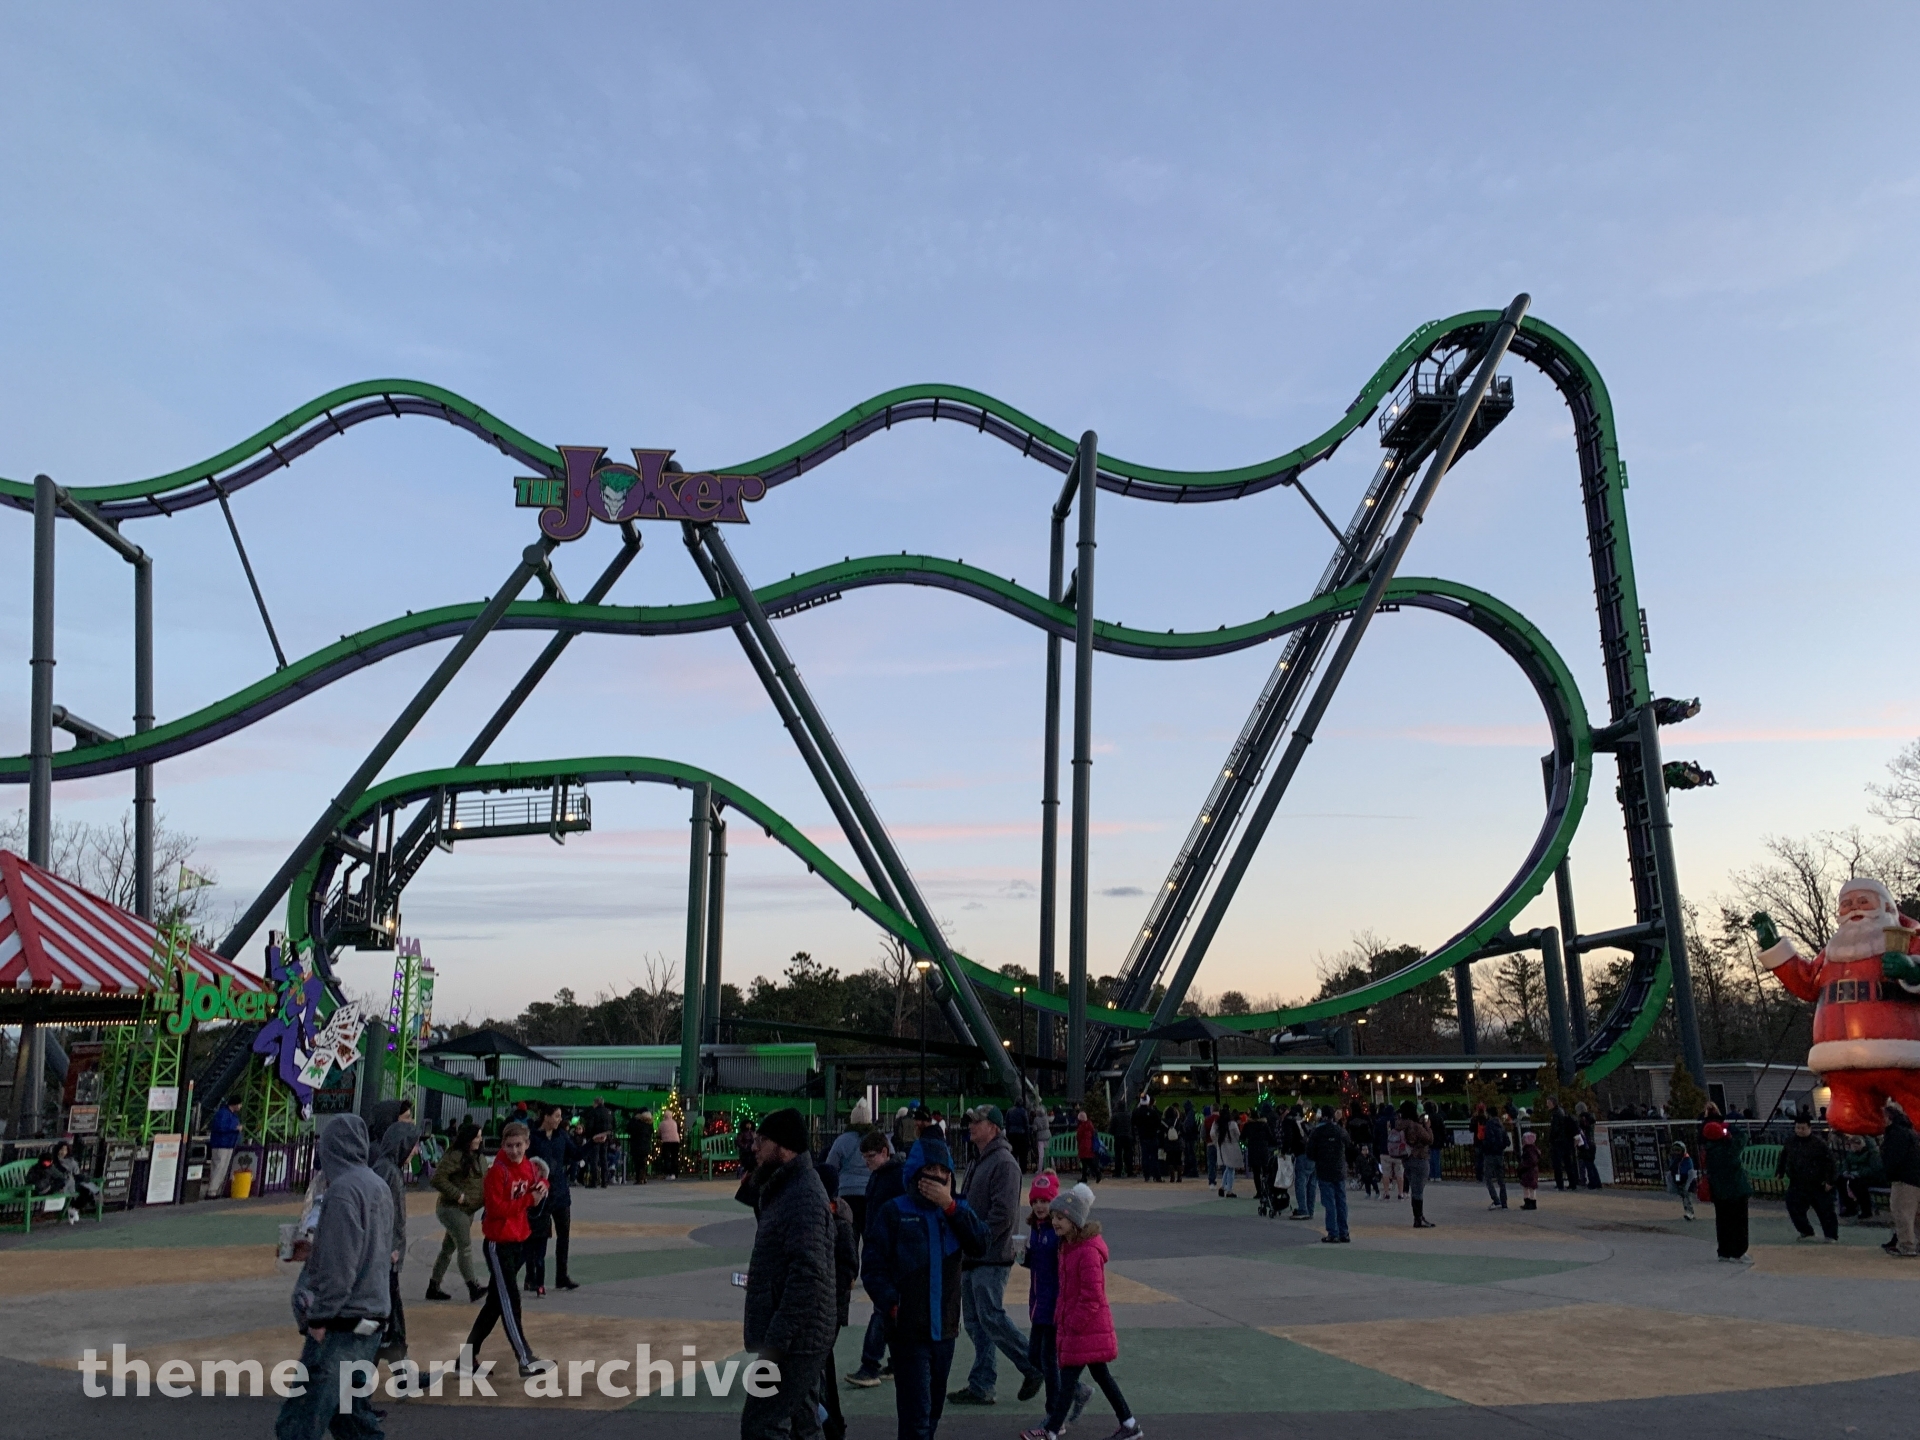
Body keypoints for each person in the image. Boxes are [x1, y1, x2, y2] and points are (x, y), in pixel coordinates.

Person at [1755, 877, 1920, 1135]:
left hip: (1904, 1053)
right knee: (1847, 1118)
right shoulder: (1833, 952)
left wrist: (1912, 971)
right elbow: (1806, 982)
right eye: (1847, 904)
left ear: (1886, 907)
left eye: (1863, 902)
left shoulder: (1908, 941)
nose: (1854, 908)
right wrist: (1773, 947)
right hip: (1842, 1063)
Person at [863, 1135, 988, 1440]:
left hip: (944, 1330)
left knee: (932, 1412)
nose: (938, 1176)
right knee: (916, 1415)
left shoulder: (957, 1211)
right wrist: (892, 1303)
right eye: (930, 1169)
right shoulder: (895, 1212)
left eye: (944, 1170)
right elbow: (873, 1266)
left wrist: (950, 1207)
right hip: (908, 1330)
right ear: (917, 1172)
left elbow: (981, 1244)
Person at [276, 1115, 392, 1440]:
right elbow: (369, 1248)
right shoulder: (376, 1185)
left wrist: (320, 1315)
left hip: (342, 1320)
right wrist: (316, 1249)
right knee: (349, 1417)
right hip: (372, 1313)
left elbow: (341, 1265)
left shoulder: (341, 1192)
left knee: (299, 1422)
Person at [740, 1107, 836, 1440]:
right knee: (803, 1422)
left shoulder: (802, 1195)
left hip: (795, 1338)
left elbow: (808, 1275)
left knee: (762, 1423)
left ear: (784, 1146)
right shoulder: (786, 1187)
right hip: (802, 1333)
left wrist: (777, 1340)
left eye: (761, 1141)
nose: (754, 1147)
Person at [1030, 1183, 1142, 1440]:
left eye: (1060, 1218)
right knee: (1100, 1376)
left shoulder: (1087, 1252)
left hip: (1085, 1327)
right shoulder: (1067, 1247)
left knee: (1068, 1381)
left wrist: (1071, 1324)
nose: (1054, 1222)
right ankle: (1129, 1423)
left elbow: (1092, 1296)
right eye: (1054, 1217)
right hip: (1081, 1327)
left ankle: (1051, 1430)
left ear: (1074, 1221)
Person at [948, 1106, 1043, 1407]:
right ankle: (982, 1383)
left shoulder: (1004, 1163)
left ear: (994, 1127)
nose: (971, 1126)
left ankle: (1031, 1364)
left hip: (989, 1253)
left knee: (989, 1316)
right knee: (977, 1321)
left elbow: (1003, 1214)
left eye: (977, 1122)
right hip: (975, 1252)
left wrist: (978, 1238)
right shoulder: (982, 1161)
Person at [464, 1120, 553, 1377]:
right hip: (498, 1244)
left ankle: (467, 1358)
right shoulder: (497, 1172)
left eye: (519, 1145)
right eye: (510, 1145)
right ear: (503, 1145)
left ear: (527, 1145)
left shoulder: (526, 1166)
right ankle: (525, 1359)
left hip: (518, 1241)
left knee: (495, 1304)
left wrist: (542, 1188)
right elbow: (496, 1209)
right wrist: (528, 1200)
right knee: (510, 1301)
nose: (515, 1150)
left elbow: (541, 1180)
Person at [845, 1128, 901, 1390]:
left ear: (884, 1153)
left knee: (883, 1308)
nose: (866, 1163)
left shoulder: (890, 1178)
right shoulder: (881, 1176)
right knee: (888, 1310)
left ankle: (870, 1364)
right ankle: (893, 1362)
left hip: (887, 1253)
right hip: (883, 1250)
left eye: (870, 1157)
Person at [369, 1118, 418, 1363]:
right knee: (386, 1319)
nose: (416, 1151)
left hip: (388, 1256)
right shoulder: (387, 1171)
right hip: (385, 1258)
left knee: (392, 1320)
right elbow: (381, 1214)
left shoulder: (390, 1169)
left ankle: (402, 1374)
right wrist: (389, 1248)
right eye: (413, 1145)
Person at [426, 1121, 487, 1302]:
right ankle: (473, 1286)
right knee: (464, 1246)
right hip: (453, 1209)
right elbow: (437, 1179)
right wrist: (458, 1195)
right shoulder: (455, 1156)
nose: (480, 1139)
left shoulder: (478, 1157)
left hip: (467, 1210)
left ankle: (433, 1286)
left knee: (447, 1249)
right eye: (477, 1136)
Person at [820, 1165, 859, 1440]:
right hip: (827, 1305)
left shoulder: (839, 1222)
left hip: (829, 1305)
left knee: (820, 1366)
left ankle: (831, 1422)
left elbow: (848, 1265)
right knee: (823, 1364)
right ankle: (831, 1420)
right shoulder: (832, 1217)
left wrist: (832, 1292)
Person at [525, 1103, 581, 1294]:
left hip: (560, 1193)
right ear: (546, 1117)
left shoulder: (562, 1136)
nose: (559, 1119)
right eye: (556, 1116)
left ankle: (561, 1276)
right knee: (537, 1237)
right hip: (540, 1193)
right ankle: (531, 1277)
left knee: (563, 1235)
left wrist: (593, 1143)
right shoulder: (532, 1138)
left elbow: (576, 1154)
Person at [1777, 1114, 1839, 1242]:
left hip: (1817, 1182)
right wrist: (1780, 1171)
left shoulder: (1819, 1144)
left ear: (1809, 1128)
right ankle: (1805, 1231)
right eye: (1798, 1128)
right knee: (1793, 1206)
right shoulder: (1790, 1142)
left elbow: (1830, 1162)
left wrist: (1830, 1180)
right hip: (1797, 1182)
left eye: (1803, 1128)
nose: (1800, 1131)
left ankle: (1831, 1235)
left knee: (1825, 1210)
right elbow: (1784, 1157)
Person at [1700, 1109, 1751, 1263]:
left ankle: (1724, 1250)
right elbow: (1743, 1137)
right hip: (1735, 1191)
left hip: (1719, 1192)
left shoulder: (1709, 1151)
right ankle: (1738, 1251)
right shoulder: (1728, 1149)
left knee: (1723, 1221)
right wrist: (1729, 1129)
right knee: (1739, 1222)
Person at [824, 1099, 875, 1246]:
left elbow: (830, 1166)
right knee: (870, 1240)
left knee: (849, 1240)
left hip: (846, 1193)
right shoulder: (876, 1140)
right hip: (869, 1193)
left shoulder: (842, 1140)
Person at [1306, 1106, 1351, 1244]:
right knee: (1341, 1201)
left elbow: (1310, 1152)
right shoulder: (1340, 1131)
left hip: (1324, 1169)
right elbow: (1349, 1145)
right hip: (1339, 1169)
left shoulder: (1317, 1132)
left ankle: (1333, 1232)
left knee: (1329, 1202)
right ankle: (1344, 1232)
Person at [1882, 1098, 1920, 1257]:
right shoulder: (1908, 1131)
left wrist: (1887, 1172)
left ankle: (1907, 1245)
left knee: (1902, 1212)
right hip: (1915, 1177)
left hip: (1904, 1179)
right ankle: (1914, 1242)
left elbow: (1894, 1158)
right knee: (1916, 1214)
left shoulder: (1896, 1134)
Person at [1396, 1101, 1436, 1229]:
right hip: (1419, 1158)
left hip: (1406, 1159)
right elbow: (1429, 1139)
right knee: (1418, 1191)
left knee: (1414, 1188)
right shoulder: (1415, 1126)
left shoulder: (1400, 1125)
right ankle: (1418, 1218)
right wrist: (1427, 1126)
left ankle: (1418, 1217)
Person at [1838, 1131, 1883, 1220]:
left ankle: (1866, 1210)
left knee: (1857, 1184)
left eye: (1857, 1143)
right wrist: (1845, 1171)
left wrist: (1859, 1173)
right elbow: (1845, 1164)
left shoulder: (1872, 1154)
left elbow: (1875, 1169)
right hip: (1853, 1175)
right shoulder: (1850, 1155)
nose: (1855, 1146)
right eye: (1853, 1144)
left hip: (1870, 1178)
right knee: (1840, 1181)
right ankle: (1850, 1207)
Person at [1242, 1107, 1276, 1216]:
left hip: (1253, 1149)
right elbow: (1271, 1137)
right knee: (1266, 1171)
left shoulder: (1248, 1125)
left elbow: (1242, 1137)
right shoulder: (1264, 1125)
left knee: (1256, 1173)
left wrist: (1247, 1142)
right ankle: (1268, 1190)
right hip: (1263, 1149)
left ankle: (1259, 1192)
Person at [1474, 1103, 1509, 1210]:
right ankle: (1504, 1202)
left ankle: (1496, 1199)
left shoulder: (1489, 1124)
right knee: (1500, 1179)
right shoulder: (1501, 1125)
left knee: (1488, 1178)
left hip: (1490, 1154)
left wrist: (1486, 1146)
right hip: (1499, 1154)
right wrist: (1500, 1147)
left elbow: (1489, 1140)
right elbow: (1507, 1141)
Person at [208, 1096, 243, 1199]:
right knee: (219, 1167)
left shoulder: (232, 1115)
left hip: (228, 1144)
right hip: (221, 1144)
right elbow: (219, 1127)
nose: (240, 1106)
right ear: (235, 1104)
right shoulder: (223, 1113)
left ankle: (217, 1190)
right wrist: (234, 1128)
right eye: (239, 1104)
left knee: (223, 1168)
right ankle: (212, 1191)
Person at [1284, 1104, 1315, 1220]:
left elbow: (1288, 1138)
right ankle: (1310, 1210)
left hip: (1302, 1154)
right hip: (1313, 1154)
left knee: (1300, 1182)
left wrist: (1285, 1151)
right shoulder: (1305, 1122)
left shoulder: (1291, 1121)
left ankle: (1303, 1209)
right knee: (1311, 1183)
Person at [1544, 1097, 1577, 1191]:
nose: (1547, 1105)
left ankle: (1560, 1184)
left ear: (1553, 1103)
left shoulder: (1555, 1114)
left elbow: (1555, 1128)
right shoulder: (1562, 1111)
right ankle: (1572, 1183)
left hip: (1558, 1142)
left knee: (1557, 1164)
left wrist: (1551, 1138)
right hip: (1566, 1141)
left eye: (1548, 1103)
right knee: (1568, 1163)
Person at [582, 1097, 615, 1188]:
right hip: (605, 1138)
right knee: (604, 1159)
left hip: (595, 1137)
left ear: (596, 1103)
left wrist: (589, 1136)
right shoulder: (609, 1112)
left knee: (594, 1160)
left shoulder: (594, 1112)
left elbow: (590, 1126)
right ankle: (605, 1181)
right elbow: (612, 1125)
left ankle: (594, 1181)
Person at [1213, 1109, 1242, 1198]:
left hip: (1223, 1146)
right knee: (1231, 1169)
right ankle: (1229, 1190)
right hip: (1232, 1146)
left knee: (1228, 1167)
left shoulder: (1217, 1124)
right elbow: (1238, 1135)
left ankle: (1222, 1186)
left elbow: (1213, 1134)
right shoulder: (1232, 1124)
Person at [1381, 1105, 1407, 1202]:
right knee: (1399, 1173)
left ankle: (1387, 1193)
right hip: (1397, 1151)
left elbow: (1375, 1136)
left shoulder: (1380, 1122)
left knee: (1386, 1173)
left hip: (1384, 1151)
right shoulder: (1398, 1122)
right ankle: (1400, 1193)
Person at [1131, 1098, 1161, 1183]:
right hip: (1152, 1135)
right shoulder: (1152, 1112)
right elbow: (1158, 1122)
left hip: (1142, 1136)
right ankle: (1156, 1175)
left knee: (1145, 1156)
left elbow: (1133, 1123)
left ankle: (1146, 1175)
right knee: (1154, 1156)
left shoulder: (1137, 1112)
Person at [1574, 1102, 1603, 1189]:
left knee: (1588, 1164)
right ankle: (1597, 1182)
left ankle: (1592, 1183)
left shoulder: (1582, 1119)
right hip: (1592, 1143)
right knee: (1591, 1164)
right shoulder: (1591, 1118)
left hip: (1586, 1143)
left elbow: (1580, 1131)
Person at [1670, 1141, 1697, 1221]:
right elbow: (1672, 1168)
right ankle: (1687, 1211)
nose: (1676, 1152)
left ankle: (1690, 1213)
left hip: (1687, 1181)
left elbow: (1689, 1170)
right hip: (1679, 1180)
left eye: (1678, 1150)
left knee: (1687, 1197)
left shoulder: (1687, 1159)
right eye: (1675, 1150)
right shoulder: (1674, 1159)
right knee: (1684, 1197)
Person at [626, 1107, 653, 1184]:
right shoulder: (649, 1124)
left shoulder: (637, 1123)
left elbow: (629, 1129)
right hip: (646, 1145)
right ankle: (643, 1177)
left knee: (637, 1162)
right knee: (643, 1162)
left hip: (637, 1145)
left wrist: (633, 1119)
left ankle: (639, 1178)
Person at [1075, 1110, 1100, 1185]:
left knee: (1086, 1162)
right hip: (1089, 1145)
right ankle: (1091, 1175)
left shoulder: (1082, 1126)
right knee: (1088, 1161)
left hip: (1083, 1146)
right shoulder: (1089, 1124)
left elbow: (1078, 1136)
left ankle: (1089, 1175)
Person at [1007, 1099, 1033, 1173]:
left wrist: (1008, 1134)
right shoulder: (1023, 1111)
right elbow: (1026, 1124)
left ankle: (1013, 1168)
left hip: (1012, 1133)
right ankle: (1023, 1169)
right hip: (1021, 1134)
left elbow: (1007, 1123)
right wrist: (1028, 1135)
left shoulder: (1010, 1111)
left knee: (1013, 1152)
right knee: (1023, 1153)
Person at [1161, 1105, 1184, 1186]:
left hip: (1168, 1143)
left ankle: (1172, 1177)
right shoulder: (1178, 1121)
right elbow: (1183, 1130)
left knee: (1170, 1160)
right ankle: (1179, 1177)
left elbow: (1161, 1132)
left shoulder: (1163, 1121)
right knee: (1178, 1160)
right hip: (1178, 1143)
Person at [1517, 1131, 1541, 1211]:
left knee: (1527, 1187)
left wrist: (1523, 1167)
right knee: (1531, 1187)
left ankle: (1528, 1202)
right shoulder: (1534, 1149)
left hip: (1528, 1171)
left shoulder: (1528, 1150)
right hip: (1532, 1171)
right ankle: (1532, 1202)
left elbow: (1531, 1161)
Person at [656, 1108, 681, 1178]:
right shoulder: (674, 1122)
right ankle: (675, 1173)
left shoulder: (662, 1123)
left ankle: (668, 1173)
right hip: (676, 1141)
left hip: (666, 1142)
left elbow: (659, 1133)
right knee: (674, 1157)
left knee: (667, 1158)